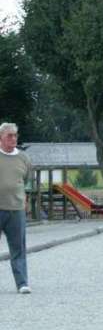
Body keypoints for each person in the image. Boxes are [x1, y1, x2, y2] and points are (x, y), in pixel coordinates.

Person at [0, 122, 33, 294]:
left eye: (15, 135)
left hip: (16, 208)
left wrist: (25, 198)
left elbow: (28, 180)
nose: (13, 138)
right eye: (9, 136)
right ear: (1, 138)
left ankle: (22, 283)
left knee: (18, 248)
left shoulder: (23, 158)